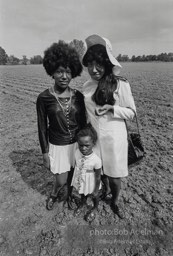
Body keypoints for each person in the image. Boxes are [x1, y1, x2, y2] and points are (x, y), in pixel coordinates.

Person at [82, 34, 136, 218]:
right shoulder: (87, 86)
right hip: (95, 139)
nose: (94, 69)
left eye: (98, 65)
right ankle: (100, 196)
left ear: (107, 63)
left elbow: (131, 112)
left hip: (114, 139)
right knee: (98, 172)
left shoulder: (120, 84)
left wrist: (111, 109)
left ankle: (115, 200)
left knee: (114, 176)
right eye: (90, 65)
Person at [36, 40, 86, 210]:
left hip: (76, 145)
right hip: (57, 145)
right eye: (59, 72)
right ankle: (54, 193)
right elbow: (42, 127)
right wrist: (44, 152)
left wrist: (85, 145)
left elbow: (83, 123)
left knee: (74, 174)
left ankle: (71, 194)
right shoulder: (44, 98)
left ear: (73, 73)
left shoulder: (78, 96)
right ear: (52, 72)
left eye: (68, 72)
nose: (64, 76)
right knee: (60, 179)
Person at [71, 123, 102, 219]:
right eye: (81, 145)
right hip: (81, 180)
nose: (83, 148)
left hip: (92, 182)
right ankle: (82, 204)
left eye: (87, 145)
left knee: (94, 196)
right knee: (82, 193)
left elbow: (97, 177)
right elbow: (77, 166)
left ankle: (95, 207)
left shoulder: (96, 160)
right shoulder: (76, 153)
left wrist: (96, 189)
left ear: (93, 143)